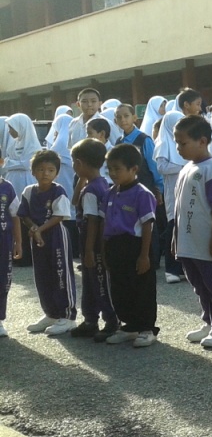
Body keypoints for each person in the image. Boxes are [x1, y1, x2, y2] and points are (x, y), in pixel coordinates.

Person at [173, 115, 212, 349]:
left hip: (207, 241)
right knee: (199, 285)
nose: (179, 148)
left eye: (183, 143)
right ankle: (210, 320)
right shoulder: (187, 168)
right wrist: (176, 238)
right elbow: (180, 206)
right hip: (188, 242)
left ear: (202, 141)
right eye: (177, 143)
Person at [101, 144, 159, 347]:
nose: (113, 173)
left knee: (141, 287)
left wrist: (144, 256)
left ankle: (146, 328)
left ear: (134, 169)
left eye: (118, 168)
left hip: (135, 246)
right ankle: (130, 326)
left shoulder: (142, 194)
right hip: (115, 246)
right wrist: (105, 253)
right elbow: (105, 224)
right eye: (110, 168)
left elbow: (147, 226)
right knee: (119, 288)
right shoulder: (109, 193)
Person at [18, 150, 76, 335]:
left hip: (55, 236)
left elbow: (60, 215)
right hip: (37, 237)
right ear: (33, 171)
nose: (45, 173)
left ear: (56, 173)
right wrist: (33, 228)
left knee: (60, 273)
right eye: (41, 169)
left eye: (50, 170)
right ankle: (50, 312)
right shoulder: (28, 191)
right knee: (42, 274)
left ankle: (67, 316)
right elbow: (24, 214)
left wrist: (39, 230)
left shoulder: (58, 191)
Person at [70, 139, 118, 341]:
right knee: (90, 283)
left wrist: (89, 251)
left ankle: (110, 320)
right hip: (92, 242)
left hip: (93, 243)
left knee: (98, 282)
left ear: (79, 163)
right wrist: (82, 179)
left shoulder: (91, 191)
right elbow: (74, 201)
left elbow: (93, 221)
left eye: (74, 163)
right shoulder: (99, 183)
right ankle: (90, 320)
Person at [154, 110, 186, 284]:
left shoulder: (184, 142)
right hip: (172, 191)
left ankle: (182, 267)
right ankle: (171, 269)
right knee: (173, 227)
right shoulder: (163, 142)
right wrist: (183, 167)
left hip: (186, 188)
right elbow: (162, 167)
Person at [0, 158, 23, 337]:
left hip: (4, 243)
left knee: (2, 280)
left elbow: (15, 216)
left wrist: (18, 242)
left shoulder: (7, 188)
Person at [4, 113, 42, 195]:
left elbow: (27, 164)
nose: (9, 131)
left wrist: (10, 163)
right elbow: (5, 161)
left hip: (27, 181)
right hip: (12, 181)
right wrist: (16, 163)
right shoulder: (12, 145)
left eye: (11, 127)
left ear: (21, 127)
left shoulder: (33, 146)